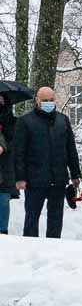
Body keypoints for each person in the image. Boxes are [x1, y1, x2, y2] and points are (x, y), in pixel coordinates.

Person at [12, 86, 81, 238]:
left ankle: (54, 246)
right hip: (34, 179)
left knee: (56, 218)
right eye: (45, 101)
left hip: (58, 178)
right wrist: (20, 177)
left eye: (51, 100)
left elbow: (71, 149)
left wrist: (75, 174)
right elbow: (19, 153)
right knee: (32, 217)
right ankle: (30, 247)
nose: (49, 103)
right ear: (37, 100)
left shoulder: (63, 120)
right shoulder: (25, 121)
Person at [0, 99, 18, 234]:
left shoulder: (13, 122)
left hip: (6, 167)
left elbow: (17, 143)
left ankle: (3, 230)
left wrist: (4, 146)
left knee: (4, 200)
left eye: (1, 99)